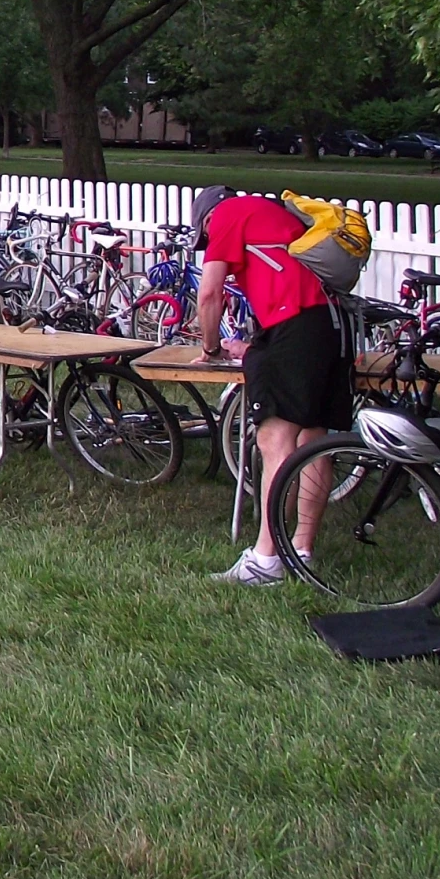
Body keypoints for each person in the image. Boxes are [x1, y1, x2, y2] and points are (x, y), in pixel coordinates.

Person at [193, 185, 354, 584]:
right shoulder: (273, 216)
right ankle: (300, 550)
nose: (210, 243)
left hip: (296, 325)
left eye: (205, 235)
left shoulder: (229, 215)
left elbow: (210, 293)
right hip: (333, 325)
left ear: (209, 219)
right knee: (313, 439)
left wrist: (211, 347)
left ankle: (266, 560)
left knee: (274, 438)